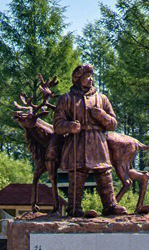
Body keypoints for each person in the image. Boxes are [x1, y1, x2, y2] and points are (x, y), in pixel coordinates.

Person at [53, 63, 125, 217]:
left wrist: (102, 116)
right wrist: (69, 126)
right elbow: (57, 125)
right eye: (87, 76)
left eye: (92, 75)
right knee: (77, 176)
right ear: (78, 79)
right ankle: (74, 208)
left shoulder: (102, 99)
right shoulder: (66, 99)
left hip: (97, 142)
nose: (91, 79)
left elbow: (113, 124)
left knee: (104, 174)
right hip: (77, 143)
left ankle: (110, 205)